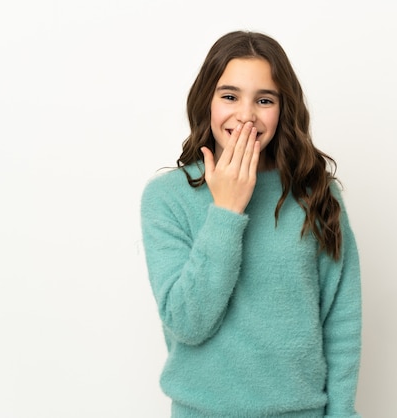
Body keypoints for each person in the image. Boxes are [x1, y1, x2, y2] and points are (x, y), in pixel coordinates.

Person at [140, 30, 362, 418]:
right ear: (206, 101)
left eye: (264, 100)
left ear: (283, 108)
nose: (246, 115)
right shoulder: (167, 198)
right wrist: (226, 211)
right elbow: (187, 324)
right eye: (230, 96)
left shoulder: (316, 194)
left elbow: (340, 319)